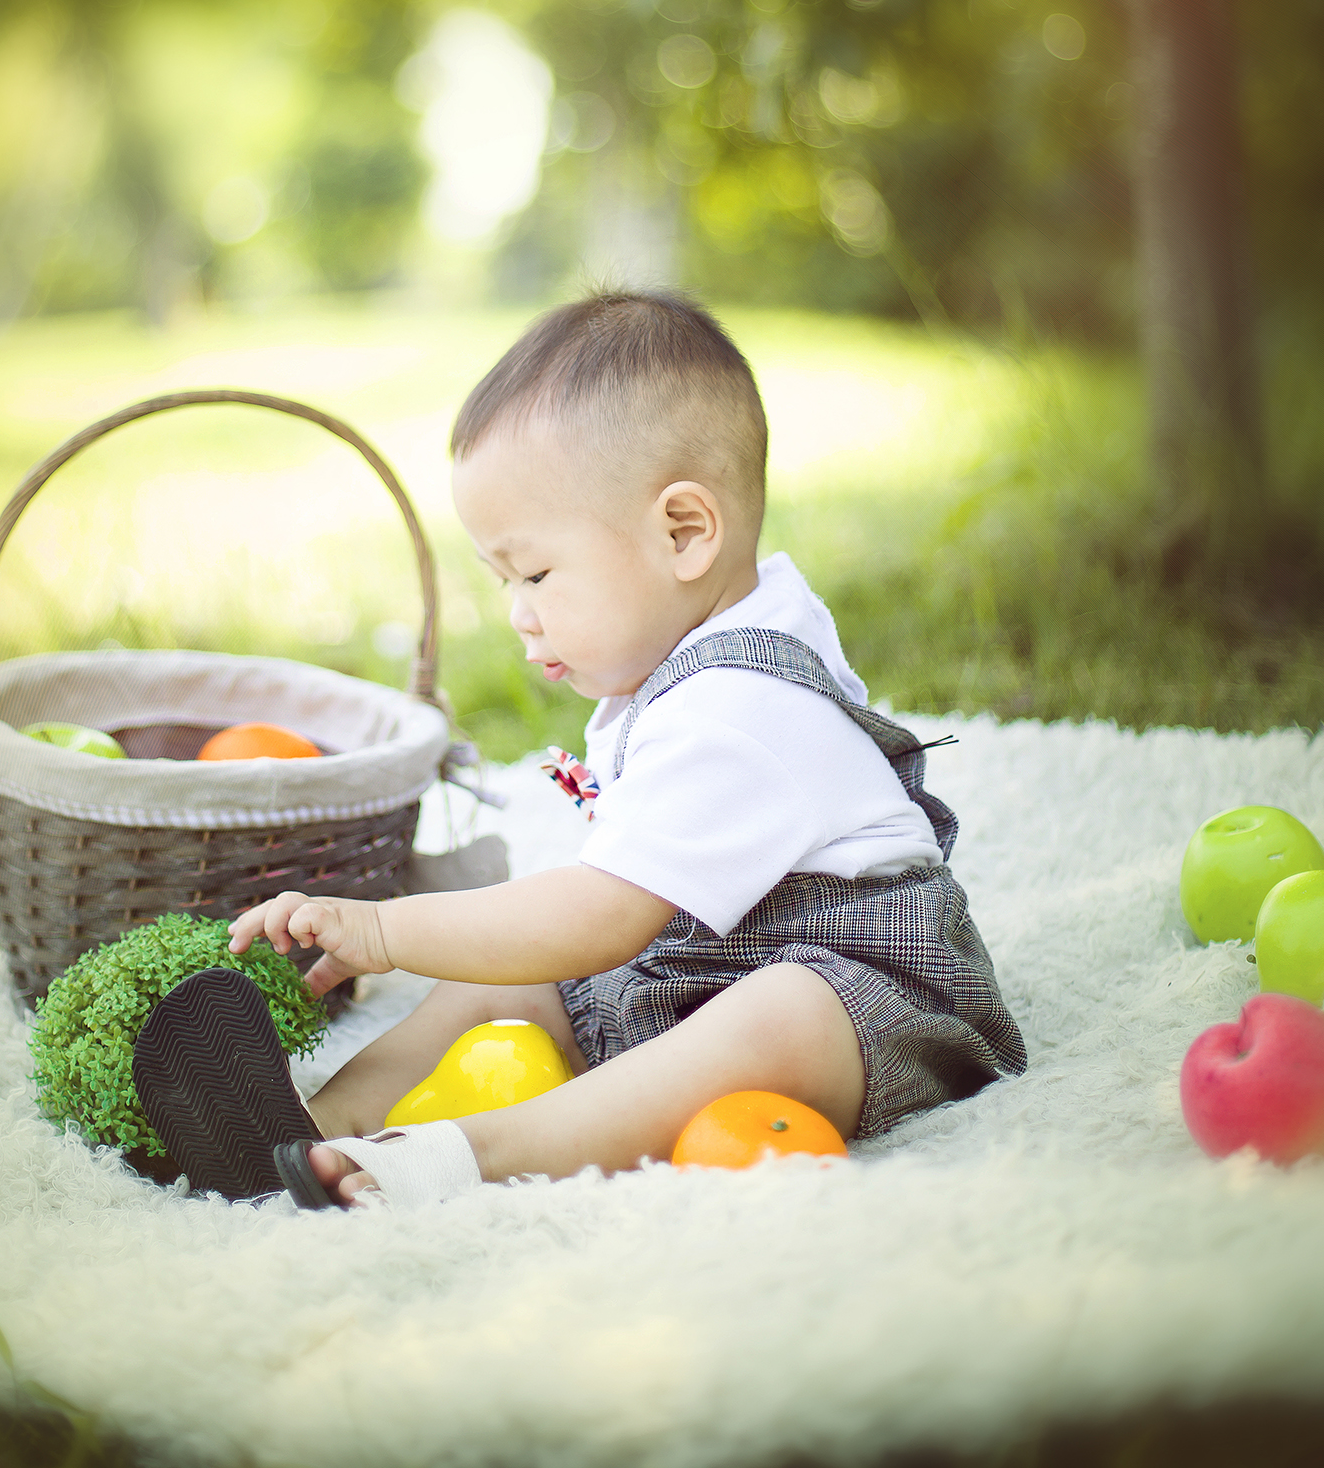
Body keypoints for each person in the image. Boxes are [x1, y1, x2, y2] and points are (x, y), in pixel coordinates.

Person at [137, 291, 1025, 1210]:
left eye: (536, 573)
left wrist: (385, 932)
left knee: (773, 1020)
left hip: (869, 1000)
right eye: (503, 581)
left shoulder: (738, 709)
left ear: (685, 532)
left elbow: (599, 917)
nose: (518, 613)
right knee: (505, 986)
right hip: (695, 970)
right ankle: (315, 1123)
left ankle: (467, 1154)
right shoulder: (709, 622)